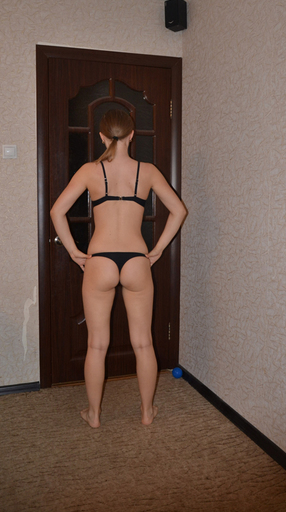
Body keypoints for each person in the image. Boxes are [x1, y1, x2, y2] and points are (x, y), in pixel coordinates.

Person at [50, 109, 187, 427]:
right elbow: (178, 210)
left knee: (97, 345)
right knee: (144, 343)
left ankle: (94, 415)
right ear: (131, 135)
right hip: (137, 259)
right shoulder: (147, 171)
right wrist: (158, 249)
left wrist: (73, 251)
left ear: (101, 136)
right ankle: (147, 412)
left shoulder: (90, 171)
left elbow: (57, 211)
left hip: (99, 260)